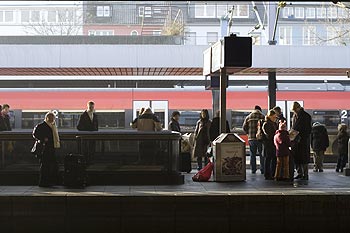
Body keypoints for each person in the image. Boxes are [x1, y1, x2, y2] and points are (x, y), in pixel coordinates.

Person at [32, 111, 60, 187]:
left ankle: (49, 181)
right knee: (45, 166)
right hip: (44, 149)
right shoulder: (42, 126)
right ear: (46, 118)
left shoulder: (53, 126)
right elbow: (35, 134)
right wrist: (43, 139)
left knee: (50, 165)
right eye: (50, 118)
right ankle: (44, 182)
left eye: (53, 118)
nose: (51, 119)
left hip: (50, 148)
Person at [290, 102, 312, 180]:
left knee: (304, 158)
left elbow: (308, 129)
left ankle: (305, 174)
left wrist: (298, 133)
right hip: (297, 140)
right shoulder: (295, 116)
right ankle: (300, 173)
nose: (294, 112)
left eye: (295, 110)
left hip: (303, 140)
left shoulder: (305, 116)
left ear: (299, 108)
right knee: (297, 157)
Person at [242, 105, 265, 174]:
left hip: (251, 138)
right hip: (260, 139)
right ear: (260, 110)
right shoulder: (262, 116)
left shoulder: (249, 117)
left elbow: (244, 127)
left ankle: (253, 169)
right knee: (261, 154)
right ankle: (262, 169)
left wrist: (248, 133)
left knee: (252, 154)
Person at [262, 109, 278, 180]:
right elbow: (269, 135)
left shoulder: (273, 123)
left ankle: (272, 173)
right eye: (274, 117)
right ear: (269, 116)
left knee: (273, 159)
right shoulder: (266, 124)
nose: (275, 119)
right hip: (268, 144)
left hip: (273, 144)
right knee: (268, 159)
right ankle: (267, 174)